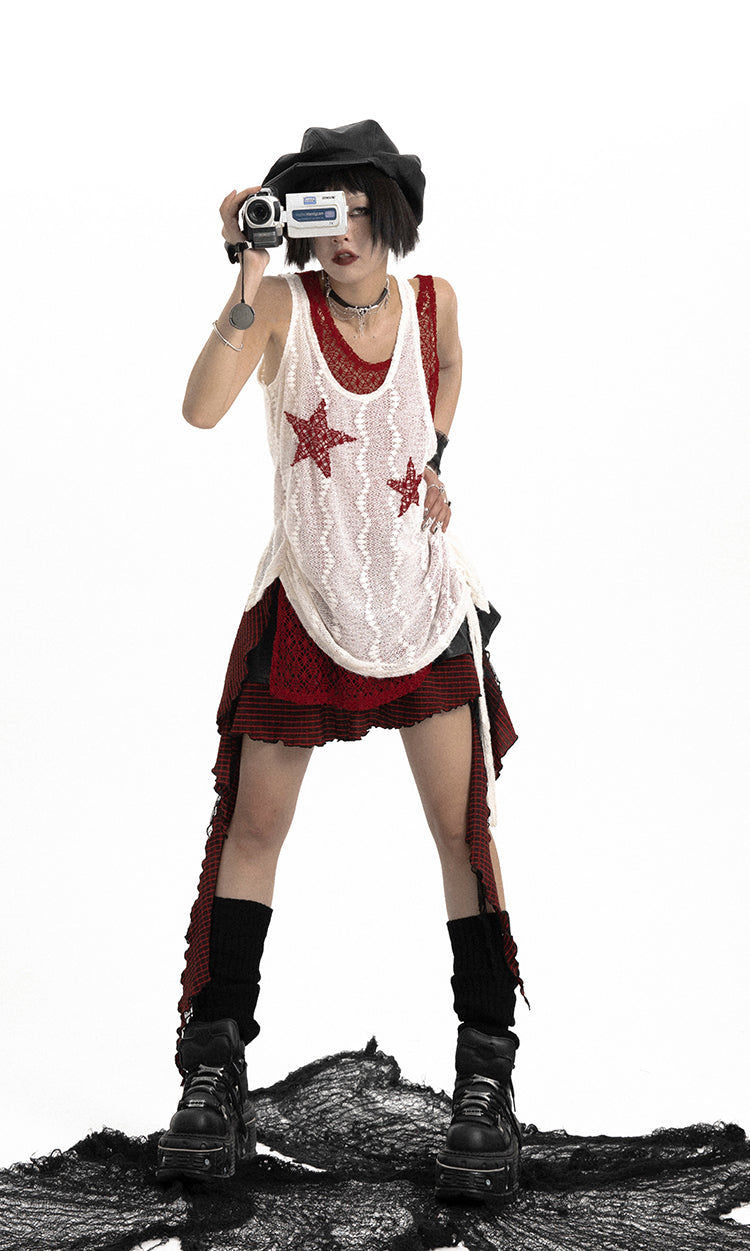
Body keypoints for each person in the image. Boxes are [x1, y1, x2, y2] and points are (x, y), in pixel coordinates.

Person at [157, 120, 524, 1203]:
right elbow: (201, 408)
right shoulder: (280, 305)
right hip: (311, 602)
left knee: (461, 832)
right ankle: (213, 1071)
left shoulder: (434, 303)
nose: (345, 229)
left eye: (361, 206)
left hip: (419, 599)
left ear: (392, 212)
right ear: (299, 220)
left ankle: (485, 1078)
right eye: (322, 208)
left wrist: (435, 450)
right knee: (255, 827)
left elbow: (447, 365)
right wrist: (246, 276)